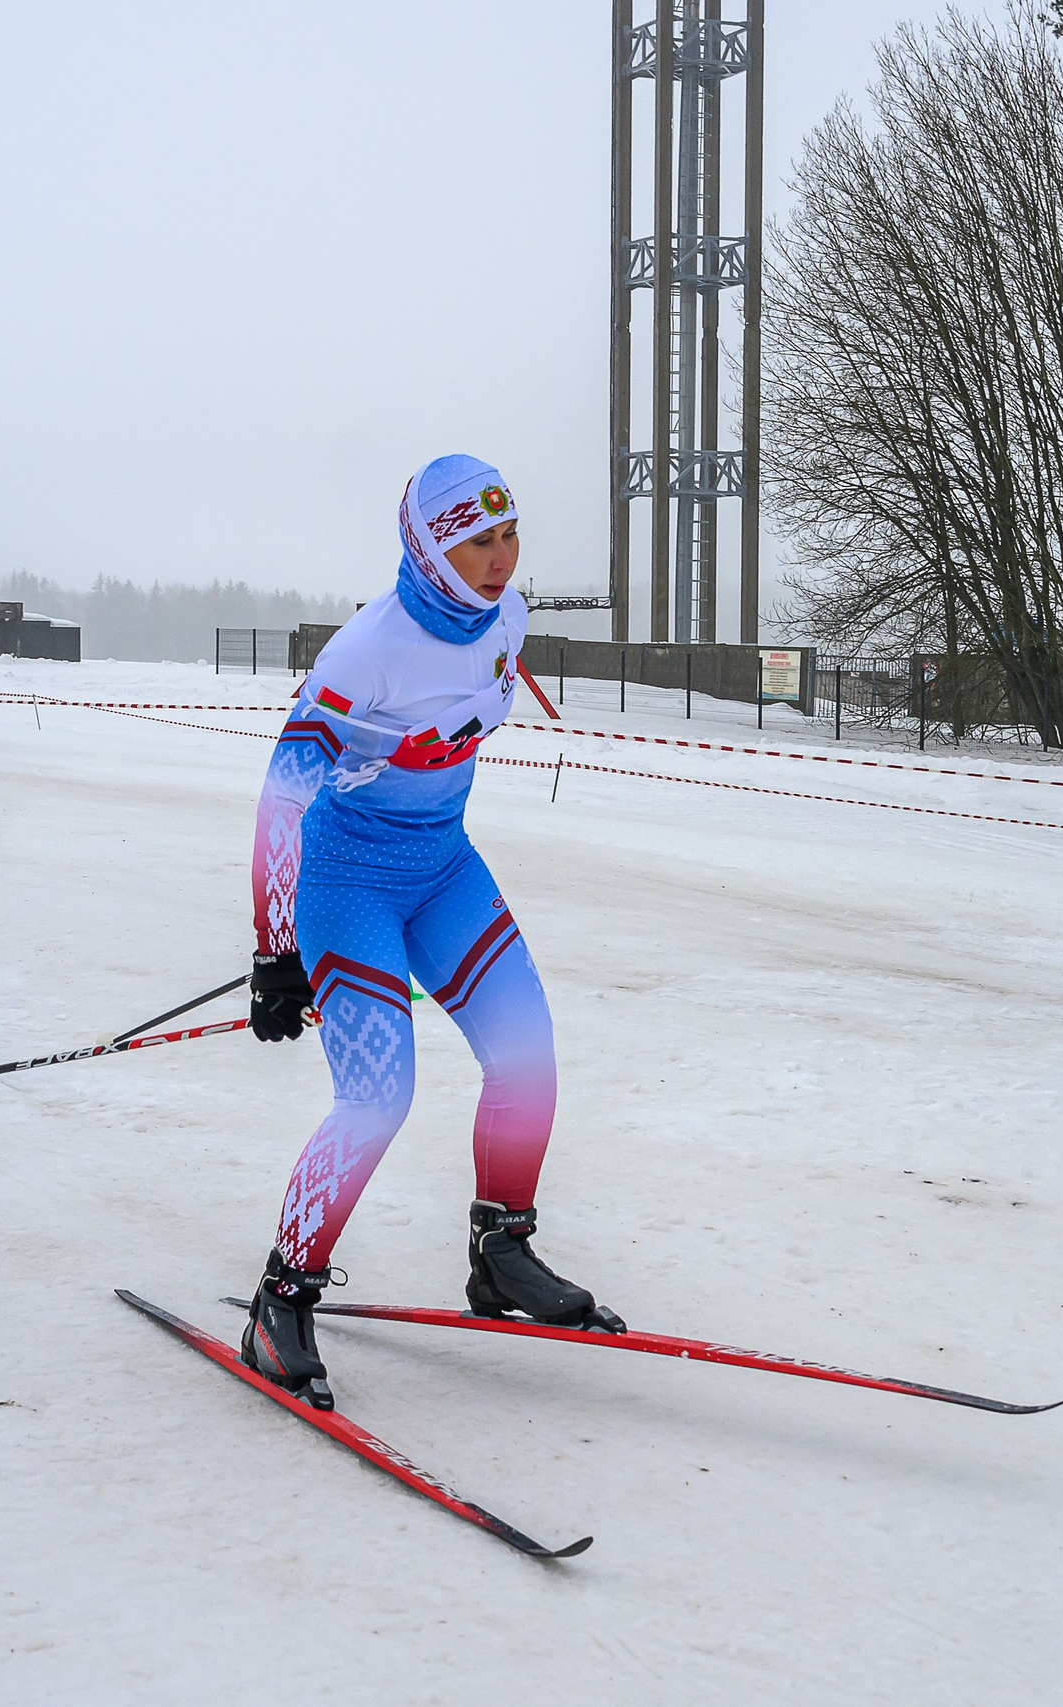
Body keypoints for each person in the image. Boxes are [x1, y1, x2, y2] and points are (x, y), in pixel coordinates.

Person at [241, 454, 623, 1409]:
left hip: (442, 868)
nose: (500, 561)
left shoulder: (507, 619)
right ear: (427, 546)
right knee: (378, 1092)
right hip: (345, 882)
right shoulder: (366, 651)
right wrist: (275, 948)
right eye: (475, 543)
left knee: (526, 1047)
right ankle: (279, 1297)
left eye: (507, 536)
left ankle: (502, 1250)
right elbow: (284, 797)